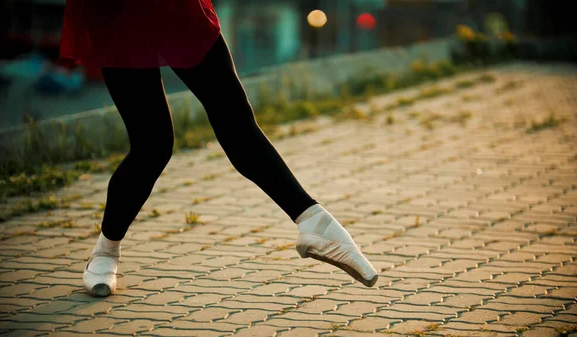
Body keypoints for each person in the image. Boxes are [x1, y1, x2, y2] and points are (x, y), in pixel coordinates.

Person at [60, 0, 378, 297]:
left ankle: (313, 221)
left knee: (236, 120)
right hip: (117, 9)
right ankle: (106, 250)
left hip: (173, 6)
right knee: (152, 144)